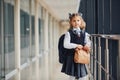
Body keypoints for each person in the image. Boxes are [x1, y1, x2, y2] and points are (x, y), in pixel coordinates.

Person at [61, 13, 91, 80]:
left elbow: (88, 42)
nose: (76, 22)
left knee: (82, 76)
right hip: (71, 57)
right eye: (74, 21)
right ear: (71, 22)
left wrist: (87, 45)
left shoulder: (85, 34)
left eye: (78, 20)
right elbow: (65, 44)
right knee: (72, 76)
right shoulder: (68, 33)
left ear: (81, 22)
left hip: (81, 57)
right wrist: (76, 45)